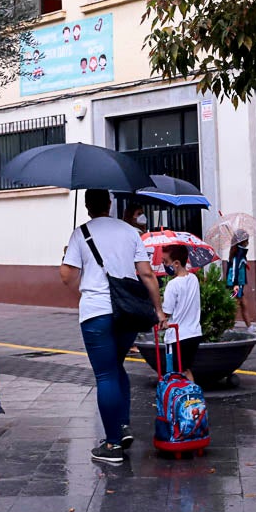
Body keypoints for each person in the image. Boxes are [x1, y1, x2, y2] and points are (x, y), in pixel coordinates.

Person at [60, 189, 166, 464]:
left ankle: (112, 444)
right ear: (109, 204)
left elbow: (67, 276)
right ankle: (123, 425)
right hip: (127, 312)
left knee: (105, 375)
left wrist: (82, 290)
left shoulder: (80, 233)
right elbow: (146, 273)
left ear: (86, 206)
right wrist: (158, 309)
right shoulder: (130, 231)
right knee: (117, 367)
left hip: (96, 313)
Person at [159, 244, 202, 383]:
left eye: (166, 262)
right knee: (186, 370)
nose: (164, 265)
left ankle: (183, 402)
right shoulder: (194, 279)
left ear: (176, 263)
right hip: (194, 333)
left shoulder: (173, 285)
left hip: (177, 336)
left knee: (176, 373)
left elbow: (166, 312)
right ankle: (193, 400)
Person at [226, 229, 256, 332]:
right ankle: (229, 327)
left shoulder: (239, 253)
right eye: (247, 240)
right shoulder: (238, 254)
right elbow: (235, 269)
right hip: (237, 284)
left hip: (238, 283)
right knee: (235, 306)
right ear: (242, 241)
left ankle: (249, 327)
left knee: (243, 304)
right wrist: (235, 284)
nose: (248, 242)